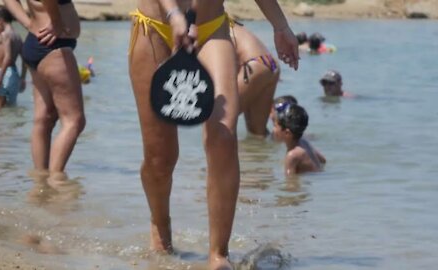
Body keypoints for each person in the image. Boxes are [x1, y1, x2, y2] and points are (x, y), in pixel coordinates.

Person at [128, 0, 298, 269]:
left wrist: (281, 26)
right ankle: (160, 229)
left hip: (212, 29)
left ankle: (218, 254)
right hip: (156, 28)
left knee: (223, 137)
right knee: (160, 155)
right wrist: (174, 15)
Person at [2, 0, 86, 179]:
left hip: (37, 42)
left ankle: (40, 180)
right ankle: (56, 181)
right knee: (74, 121)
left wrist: (27, 22)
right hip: (54, 46)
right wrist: (56, 22)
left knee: (44, 119)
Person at [231, 23, 280, 137]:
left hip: (254, 65)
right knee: (258, 133)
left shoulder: (210, 23)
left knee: (221, 118)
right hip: (270, 63)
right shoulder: (227, 22)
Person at [0, 5, 27, 108]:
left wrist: (0, 77)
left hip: (4, 74)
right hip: (15, 76)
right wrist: (22, 78)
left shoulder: (5, 34)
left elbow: (7, 57)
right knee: (11, 108)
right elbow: (24, 59)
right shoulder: (17, 36)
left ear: (0, 20)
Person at [272, 103, 326, 176]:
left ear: (287, 133)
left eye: (275, 126)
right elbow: (323, 160)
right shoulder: (304, 142)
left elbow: (290, 182)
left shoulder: (292, 155)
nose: (273, 130)